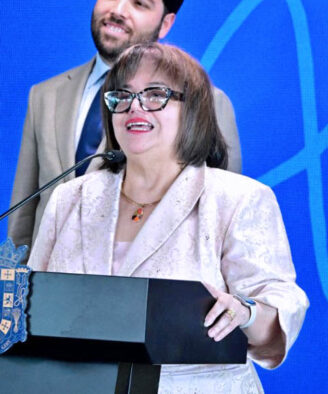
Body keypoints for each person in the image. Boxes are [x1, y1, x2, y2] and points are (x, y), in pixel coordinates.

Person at [26, 42, 306, 393]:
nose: (134, 107)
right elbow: (30, 311)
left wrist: (244, 312)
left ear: (194, 111)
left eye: (155, 94)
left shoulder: (239, 199)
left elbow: (280, 307)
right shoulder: (70, 198)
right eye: (121, 96)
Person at [9, 0, 242, 254]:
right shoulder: (45, 94)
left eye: (139, 4)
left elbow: (223, 217)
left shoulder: (203, 101)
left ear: (165, 23)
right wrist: (14, 286)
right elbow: (23, 213)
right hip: (48, 283)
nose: (118, 10)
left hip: (144, 282)